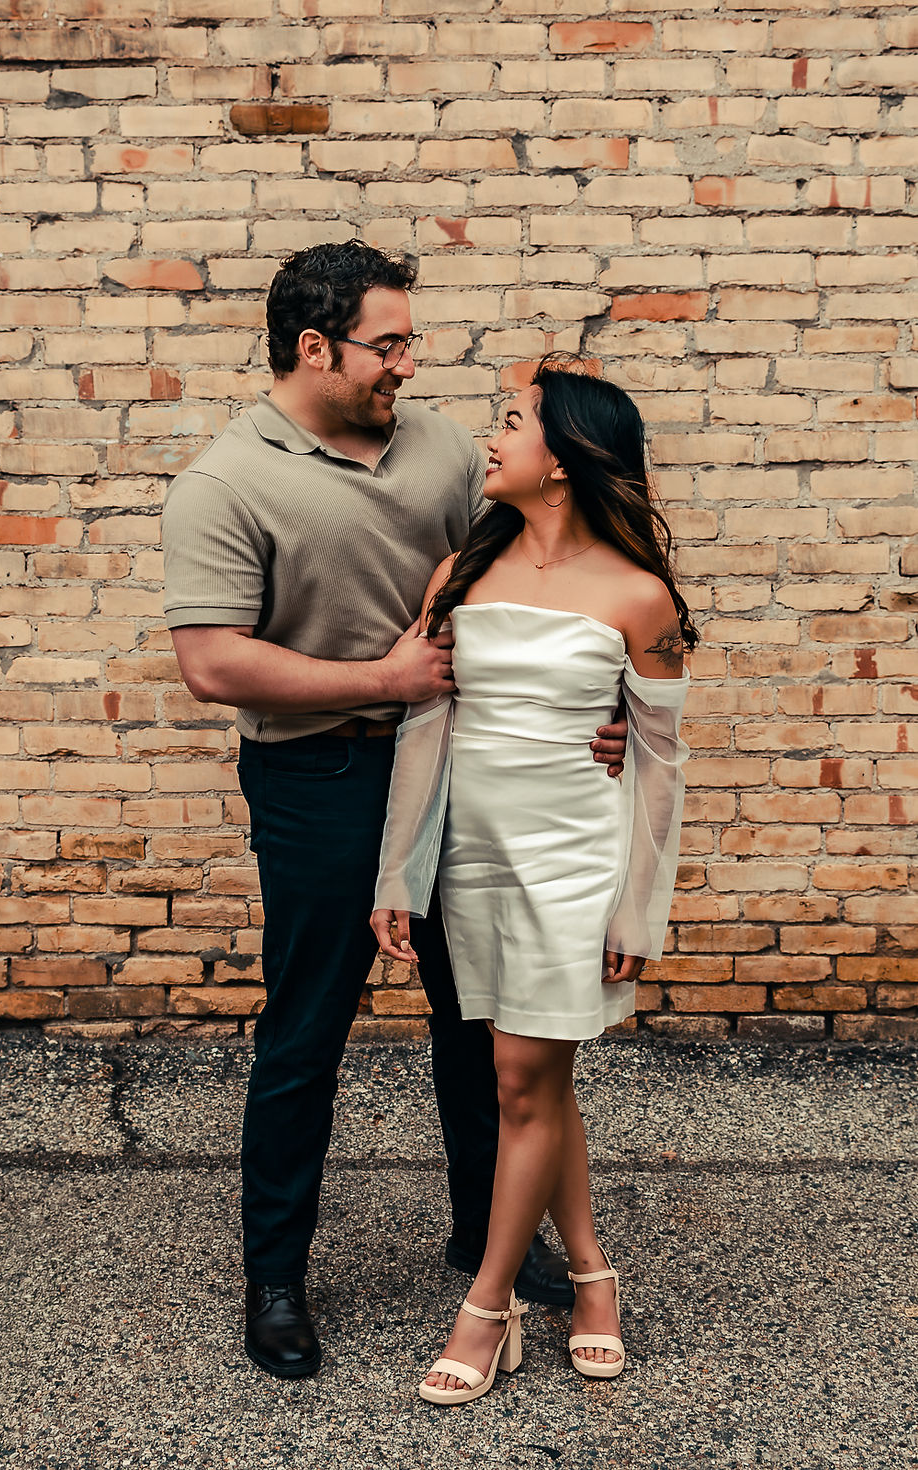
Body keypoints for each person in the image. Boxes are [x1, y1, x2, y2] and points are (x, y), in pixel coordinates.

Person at [161, 242, 629, 1379]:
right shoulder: (225, 483)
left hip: (462, 766)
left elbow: (539, 556)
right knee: (304, 1036)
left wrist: (590, 704)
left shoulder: (437, 448)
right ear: (314, 347)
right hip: (316, 780)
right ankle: (273, 1279)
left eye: (408, 342)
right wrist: (385, 679)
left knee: (477, 1027)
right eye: (389, 344)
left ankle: (492, 1245)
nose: (406, 367)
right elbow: (213, 664)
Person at [371, 354, 696, 1405]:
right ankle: (594, 1280)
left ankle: (487, 1305)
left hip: (575, 861)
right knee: (538, 1084)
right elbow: (425, 732)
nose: (490, 438)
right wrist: (396, 877)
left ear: (561, 463)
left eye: (510, 421)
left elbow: (656, 768)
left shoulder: (638, 596)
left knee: (517, 1082)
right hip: (475, 860)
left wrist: (635, 907)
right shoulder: (458, 575)